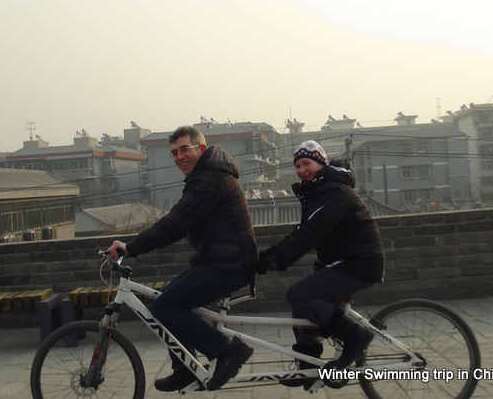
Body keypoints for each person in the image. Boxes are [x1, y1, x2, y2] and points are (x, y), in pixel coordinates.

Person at [106, 125, 258, 392]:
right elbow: (183, 223)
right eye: (174, 153)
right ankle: (185, 368)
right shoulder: (209, 173)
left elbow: (176, 222)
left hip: (229, 264)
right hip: (222, 260)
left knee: (164, 307)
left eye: (184, 149)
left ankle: (227, 351)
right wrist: (147, 244)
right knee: (166, 300)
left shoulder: (208, 178)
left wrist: (131, 248)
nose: (179, 157)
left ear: (201, 148)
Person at [255, 140, 385, 386]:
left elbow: (310, 234)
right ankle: (309, 368)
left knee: (299, 295)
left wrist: (278, 261)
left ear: (321, 163)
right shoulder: (320, 191)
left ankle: (356, 336)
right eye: (297, 166)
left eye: (307, 163)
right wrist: (267, 256)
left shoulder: (334, 191)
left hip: (359, 262)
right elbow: (300, 231)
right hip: (344, 261)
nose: (302, 170)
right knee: (302, 307)